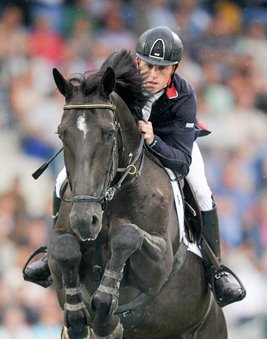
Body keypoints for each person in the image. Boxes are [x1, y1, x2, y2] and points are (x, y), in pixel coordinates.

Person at [23, 26, 246, 308]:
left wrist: (153, 140)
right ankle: (51, 253)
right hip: (121, 146)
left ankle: (216, 271)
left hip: (171, 144)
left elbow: (181, 160)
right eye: (148, 66)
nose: (152, 76)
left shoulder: (184, 95)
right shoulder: (116, 76)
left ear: (174, 68)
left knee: (201, 188)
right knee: (62, 179)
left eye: (161, 69)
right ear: (138, 61)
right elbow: (89, 102)